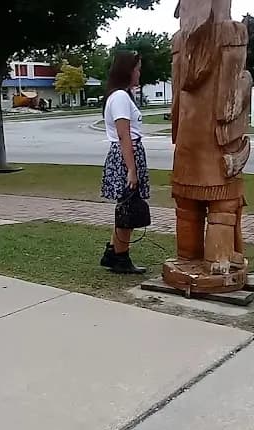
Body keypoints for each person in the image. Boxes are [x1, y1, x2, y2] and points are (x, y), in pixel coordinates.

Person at [99, 50, 149, 274]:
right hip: (126, 155)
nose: (139, 73)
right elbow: (124, 135)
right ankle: (121, 258)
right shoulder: (119, 97)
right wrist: (131, 169)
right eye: (137, 69)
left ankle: (113, 252)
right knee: (128, 208)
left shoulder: (123, 95)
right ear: (128, 70)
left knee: (125, 206)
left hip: (129, 153)